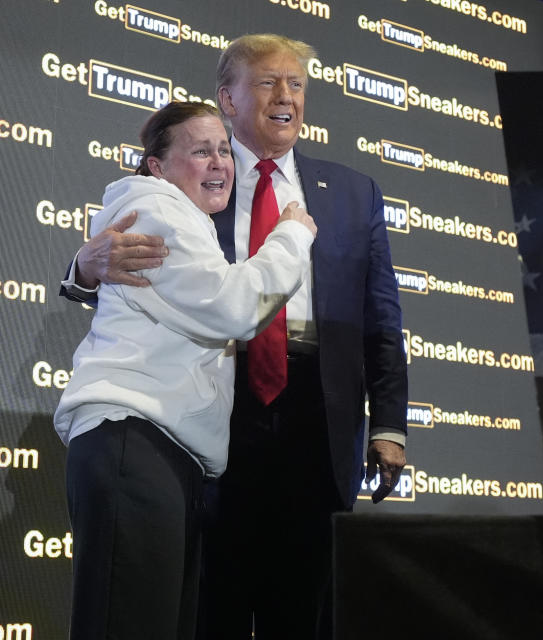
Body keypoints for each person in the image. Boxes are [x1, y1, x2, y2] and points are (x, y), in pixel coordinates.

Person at [62, 34, 408, 638]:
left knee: (306, 605)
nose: (287, 96)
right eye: (269, 82)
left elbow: (381, 318)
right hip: (221, 404)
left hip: (316, 414)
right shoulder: (190, 186)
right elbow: (145, 264)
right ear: (228, 97)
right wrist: (82, 269)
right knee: (203, 600)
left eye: (297, 84)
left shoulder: (354, 192)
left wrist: (389, 424)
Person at [55, 101, 317, 640]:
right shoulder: (152, 207)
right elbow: (235, 307)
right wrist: (291, 235)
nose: (220, 161)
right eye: (201, 151)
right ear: (157, 166)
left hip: (166, 451)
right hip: (134, 441)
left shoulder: (188, 219)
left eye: (224, 149)